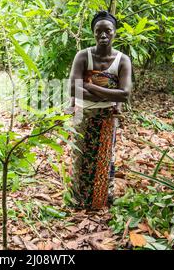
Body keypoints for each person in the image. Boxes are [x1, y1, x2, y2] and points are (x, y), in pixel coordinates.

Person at [66, 10, 132, 209]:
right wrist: (110, 93)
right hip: (83, 113)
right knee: (81, 157)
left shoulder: (123, 60)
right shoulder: (83, 56)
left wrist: (92, 87)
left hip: (107, 115)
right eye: (98, 31)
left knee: (104, 156)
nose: (103, 35)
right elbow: (71, 88)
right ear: (93, 33)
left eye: (108, 31)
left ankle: (100, 200)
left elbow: (125, 94)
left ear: (114, 33)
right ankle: (79, 200)